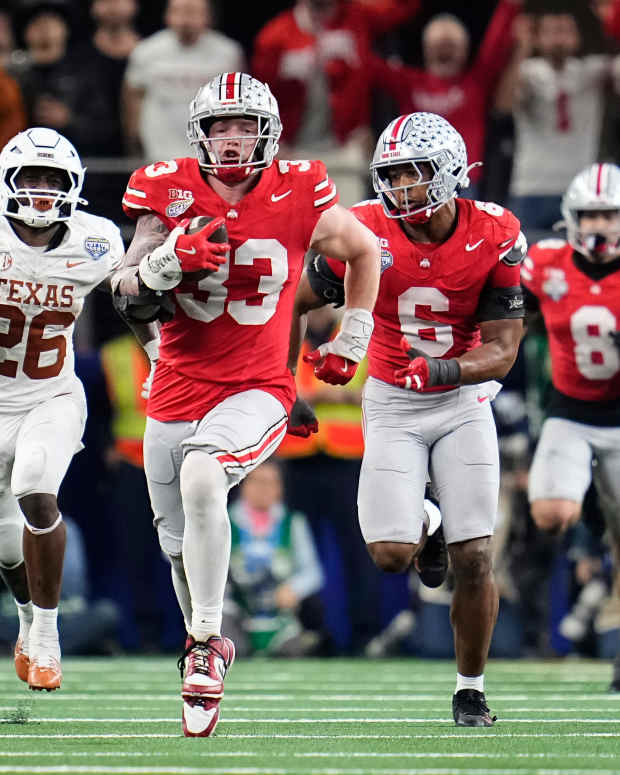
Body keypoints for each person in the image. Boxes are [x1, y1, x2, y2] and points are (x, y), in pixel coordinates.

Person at [112, 71, 380, 737]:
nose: (232, 138)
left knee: (206, 474)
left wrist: (354, 329)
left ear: (269, 132)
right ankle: (205, 644)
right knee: (177, 546)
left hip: (258, 385)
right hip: (175, 383)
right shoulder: (165, 190)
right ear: (198, 134)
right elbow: (124, 290)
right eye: (220, 126)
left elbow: (364, 248)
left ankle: (205, 644)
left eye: (244, 124)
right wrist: (163, 264)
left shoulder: (301, 187)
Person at [292, 111, 526, 725]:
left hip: (462, 400)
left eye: (413, 175)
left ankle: (470, 689)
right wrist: (280, 379)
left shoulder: (493, 231)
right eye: (390, 175)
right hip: (393, 400)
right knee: (392, 554)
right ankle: (427, 517)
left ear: (448, 173)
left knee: (475, 556)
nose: (400, 189)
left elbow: (503, 348)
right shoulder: (367, 228)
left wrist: (445, 372)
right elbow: (289, 296)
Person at [0, 126, 123, 690]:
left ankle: (47, 637)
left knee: (36, 488)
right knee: (7, 553)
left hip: (50, 393)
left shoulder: (94, 239)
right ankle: (28, 619)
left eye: (53, 179)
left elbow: (132, 298)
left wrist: (157, 354)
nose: (44, 190)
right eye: (33, 178)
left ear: (72, 185)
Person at [521, 162, 620, 690]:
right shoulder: (547, 263)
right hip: (571, 409)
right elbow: (510, 321)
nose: (598, 225)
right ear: (570, 219)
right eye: (589, 215)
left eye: (608, 214)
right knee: (552, 513)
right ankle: (592, 516)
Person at [251, 0, 421, 206]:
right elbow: (256, 100)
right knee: (299, 232)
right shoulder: (274, 36)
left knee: (349, 227)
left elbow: (404, 7)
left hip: (347, 150)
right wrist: (272, 143)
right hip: (294, 154)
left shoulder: (357, 18)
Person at [369, 1, 523, 197]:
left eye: (451, 46)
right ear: (426, 49)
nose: (445, 51)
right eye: (438, 46)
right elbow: (366, 64)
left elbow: (494, 43)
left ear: (465, 50)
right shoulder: (409, 83)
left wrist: (509, 6)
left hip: (463, 182)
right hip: (417, 184)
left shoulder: (475, 83)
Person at [224, 459, 328, 657]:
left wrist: (293, 589)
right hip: (238, 610)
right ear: (242, 484)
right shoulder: (225, 521)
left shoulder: (293, 522)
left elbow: (313, 573)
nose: (264, 489)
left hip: (281, 611)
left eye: (271, 482)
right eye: (257, 481)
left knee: (313, 606)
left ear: (280, 488)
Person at [122, 0, 244, 160]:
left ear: (208, 16)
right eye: (178, 12)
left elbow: (238, 105)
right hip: (158, 149)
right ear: (167, 15)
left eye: (192, 12)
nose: (185, 20)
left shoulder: (228, 53)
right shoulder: (146, 51)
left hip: (211, 151)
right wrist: (134, 138)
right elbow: (133, 96)